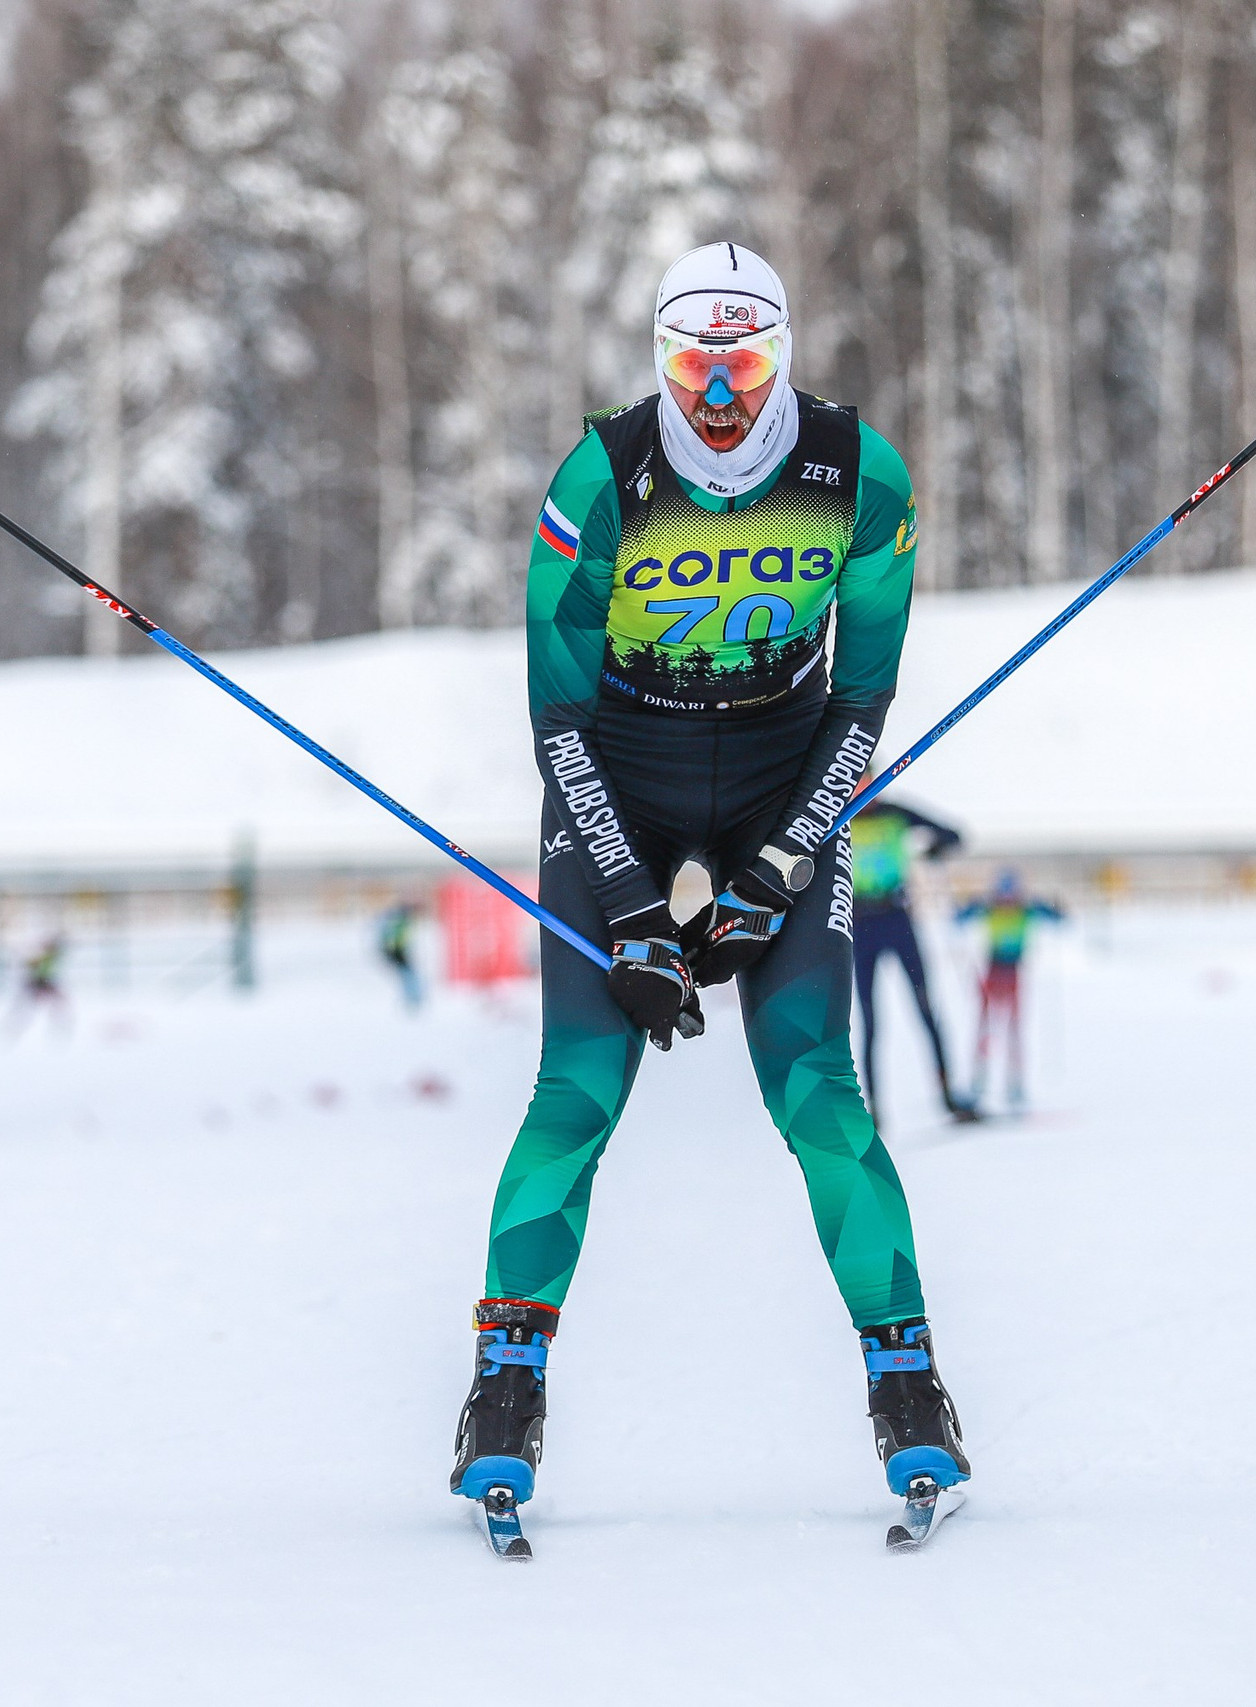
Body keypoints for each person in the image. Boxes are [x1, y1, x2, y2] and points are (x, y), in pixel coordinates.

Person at [452, 242, 969, 1524]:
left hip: (787, 779)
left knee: (816, 1087)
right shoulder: (605, 475)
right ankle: (502, 1392)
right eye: (693, 361)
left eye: (741, 359)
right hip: (617, 772)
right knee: (575, 1087)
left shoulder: (857, 474)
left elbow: (864, 700)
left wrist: (785, 862)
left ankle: (910, 1389)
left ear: (780, 349)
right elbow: (556, 720)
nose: (718, 391)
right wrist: (635, 911)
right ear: (659, 359)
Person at [848, 781, 972, 1122]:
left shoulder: (895, 813)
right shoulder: (843, 816)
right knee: (871, 1021)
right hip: (860, 925)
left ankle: (949, 1097)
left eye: (871, 783)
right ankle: (873, 1110)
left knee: (926, 1009)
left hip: (897, 919)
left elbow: (953, 834)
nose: (864, 790)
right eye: (858, 783)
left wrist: (934, 850)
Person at [955, 869, 1063, 1114]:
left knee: (1013, 1030)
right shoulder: (989, 906)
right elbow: (960, 918)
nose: (1006, 902)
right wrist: (963, 909)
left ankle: (1015, 1085)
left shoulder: (1026, 908)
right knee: (985, 1029)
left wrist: (1056, 909)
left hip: (1013, 972)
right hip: (992, 971)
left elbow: (1057, 919)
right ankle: (978, 1080)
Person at [377, 899, 424, 1011]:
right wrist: (392, 950)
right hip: (398, 951)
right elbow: (393, 938)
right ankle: (411, 997)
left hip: (399, 950)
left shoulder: (399, 921)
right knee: (407, 973)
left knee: (406, 973)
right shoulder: (400, 922)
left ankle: (411, 997)